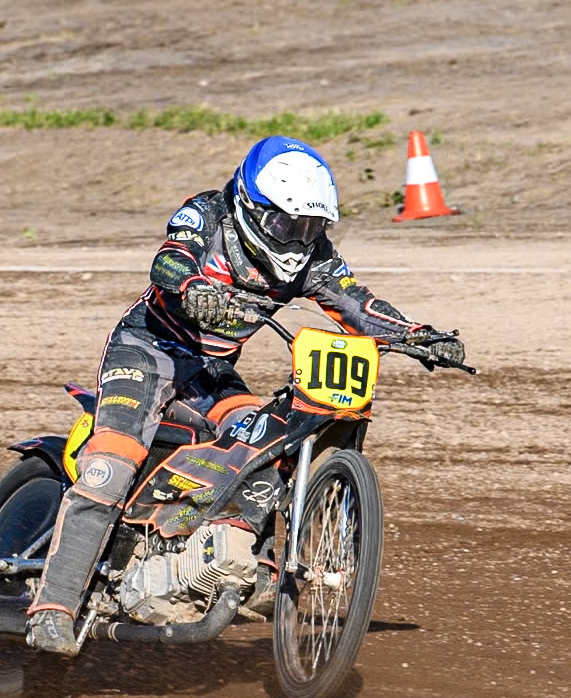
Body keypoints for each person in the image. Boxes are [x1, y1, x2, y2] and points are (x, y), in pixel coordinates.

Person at [25, 135, 465, 655]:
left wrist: (419, 335)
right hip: (146, 352)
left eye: (311, 227)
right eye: (286, 224)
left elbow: (356, 303)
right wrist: (192, 288)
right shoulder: (207, 214)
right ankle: (52, 608)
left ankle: (245, 559)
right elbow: (169, 261)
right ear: (250, 206)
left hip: (211, 372)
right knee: (111, 465)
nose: (298, 238)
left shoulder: (313, 257)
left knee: (265, 439)